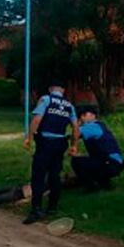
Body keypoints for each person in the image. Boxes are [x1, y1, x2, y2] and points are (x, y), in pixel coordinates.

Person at [23, 82, 79, 225]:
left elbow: (36, 119)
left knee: (38, 176)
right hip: (60, 144)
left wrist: (29, 137)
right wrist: (74, 145)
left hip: (45, 143)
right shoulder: (69, 105)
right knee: (55, 175)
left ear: (50, 89)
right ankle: (52, 208)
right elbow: (75, 127)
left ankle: (36, 209)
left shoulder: (46, 100)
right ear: (63, 90)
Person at [71, 106, 124, 192]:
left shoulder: (93, 126)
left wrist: (76, 125)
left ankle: (91, 187)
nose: (82, 117)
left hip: (110, 162)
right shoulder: (99, 126)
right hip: (114, 162)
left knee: (77, 161)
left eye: (85, 114)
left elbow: (76, 132)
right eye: (81, 115)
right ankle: (104, 183)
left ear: (93, 116)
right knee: (91, 162)